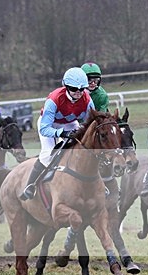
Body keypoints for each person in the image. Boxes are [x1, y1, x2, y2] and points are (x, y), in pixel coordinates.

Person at [20, 67, 94, 201]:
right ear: (66, 87)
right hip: (49, 124)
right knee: (48, 154)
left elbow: (92, 122)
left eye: (81, 89)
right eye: (73, 88)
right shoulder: (54, 99)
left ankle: (98, 183)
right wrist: (62, 133)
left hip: (70, 122)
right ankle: (30, 186)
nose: (78, 92)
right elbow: (44, 129)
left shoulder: (87, 100)